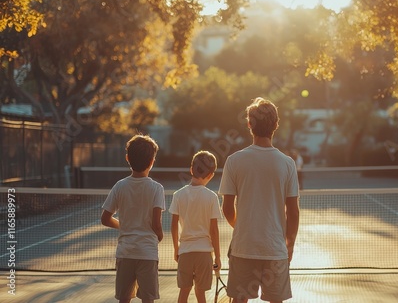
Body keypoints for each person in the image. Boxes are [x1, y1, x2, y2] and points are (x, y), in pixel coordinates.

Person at [219, 97, 300, 303]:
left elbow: (227, 208)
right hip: (275, 249)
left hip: (244, 247)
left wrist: (242, 227)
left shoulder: (233, 161)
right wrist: (289, 245)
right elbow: (293, 212)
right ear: (276, 125)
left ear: (249, 124)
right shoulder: (288, 163)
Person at [101, 134, 165, 303]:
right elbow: (156, 223)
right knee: (148, 299)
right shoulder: (157, 188)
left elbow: (105, 218)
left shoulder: (119, 186)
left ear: (127, 158)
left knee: (124, 299)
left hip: (125, 252)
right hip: (148, 253)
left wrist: (124, 226)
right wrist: (159, 236)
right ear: (152, 161)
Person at [169, 150, 222, 303]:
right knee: (201, 293)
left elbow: (173, 225)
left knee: (184, 293)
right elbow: (214, 230)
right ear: (211, 175)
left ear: (191, 169)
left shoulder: (178, 195)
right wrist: (217, 256)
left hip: (185, 252)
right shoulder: (212, 197)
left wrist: (176, 249)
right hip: (205, 254)